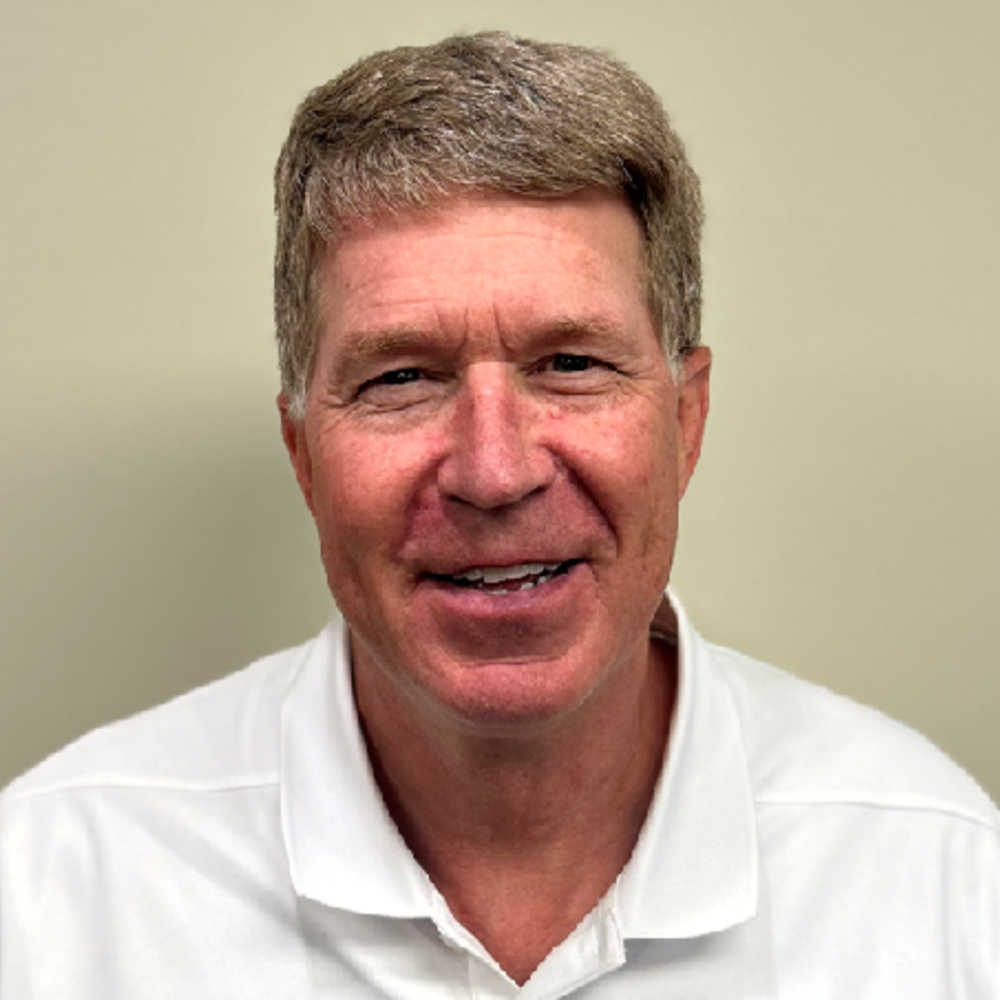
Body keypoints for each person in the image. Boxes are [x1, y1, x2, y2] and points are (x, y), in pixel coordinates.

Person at [1, 31, 997, 999]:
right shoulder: (57, 894)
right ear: (302, 454)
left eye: (570, 364)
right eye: (400, 376)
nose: (492, 470)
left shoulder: (937, 876)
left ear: (684, 423)